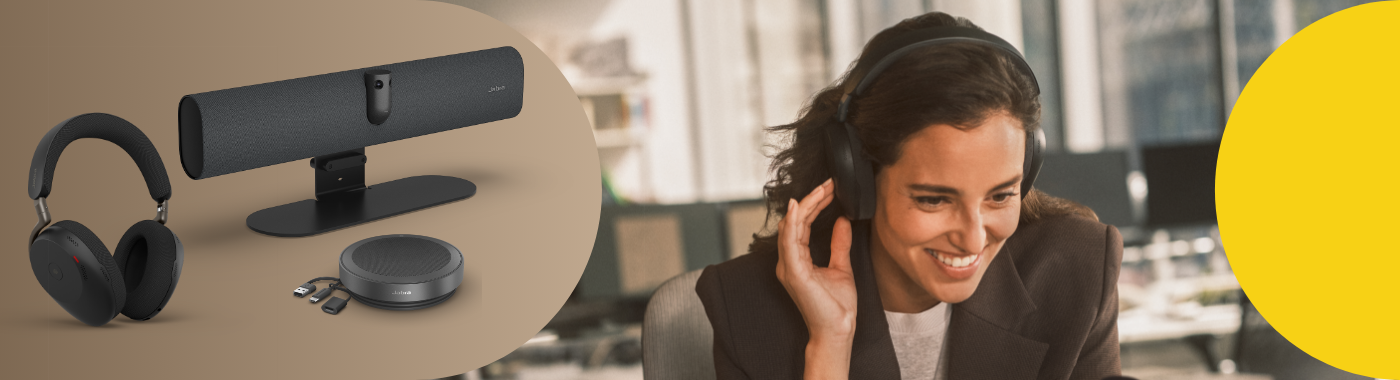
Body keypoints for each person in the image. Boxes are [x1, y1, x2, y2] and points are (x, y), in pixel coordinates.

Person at [695, 12, 1123, 380]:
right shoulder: (745, 307)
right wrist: (830, 346)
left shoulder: (1076, 272)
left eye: (1000, 196)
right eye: (934, 200)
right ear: (857, 178)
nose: (972, 240)